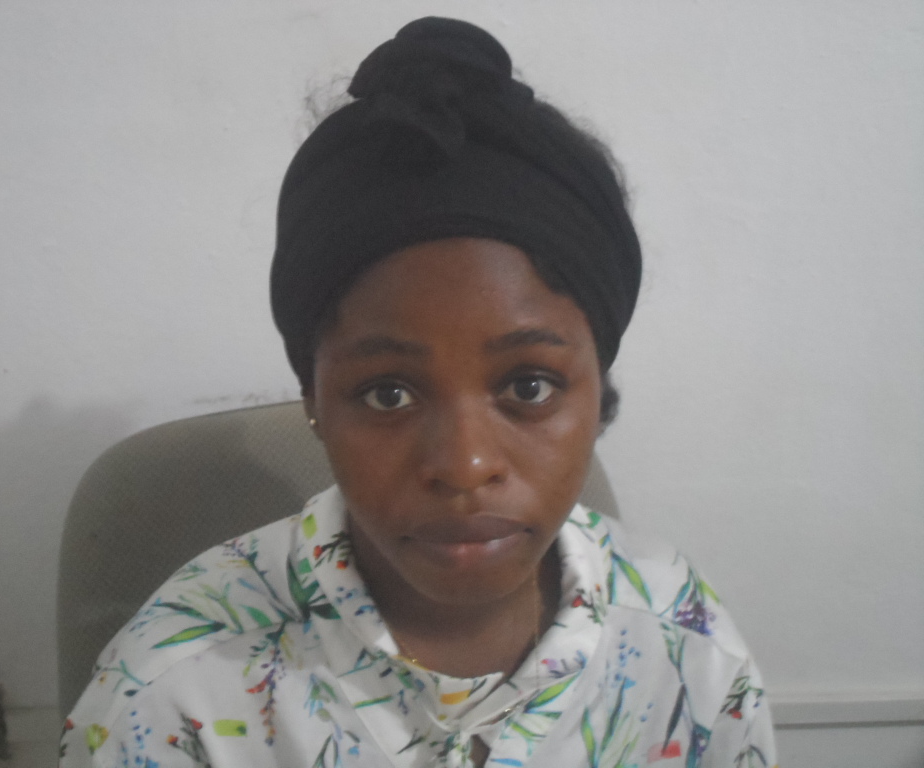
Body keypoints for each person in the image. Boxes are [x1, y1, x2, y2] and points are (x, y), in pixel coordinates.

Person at [60, 17, 777, 768]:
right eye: (388, 394)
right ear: (313, 398)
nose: (465, 466)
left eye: (528, 385)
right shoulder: (173, 696)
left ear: (598, 392)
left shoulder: (685, 651)